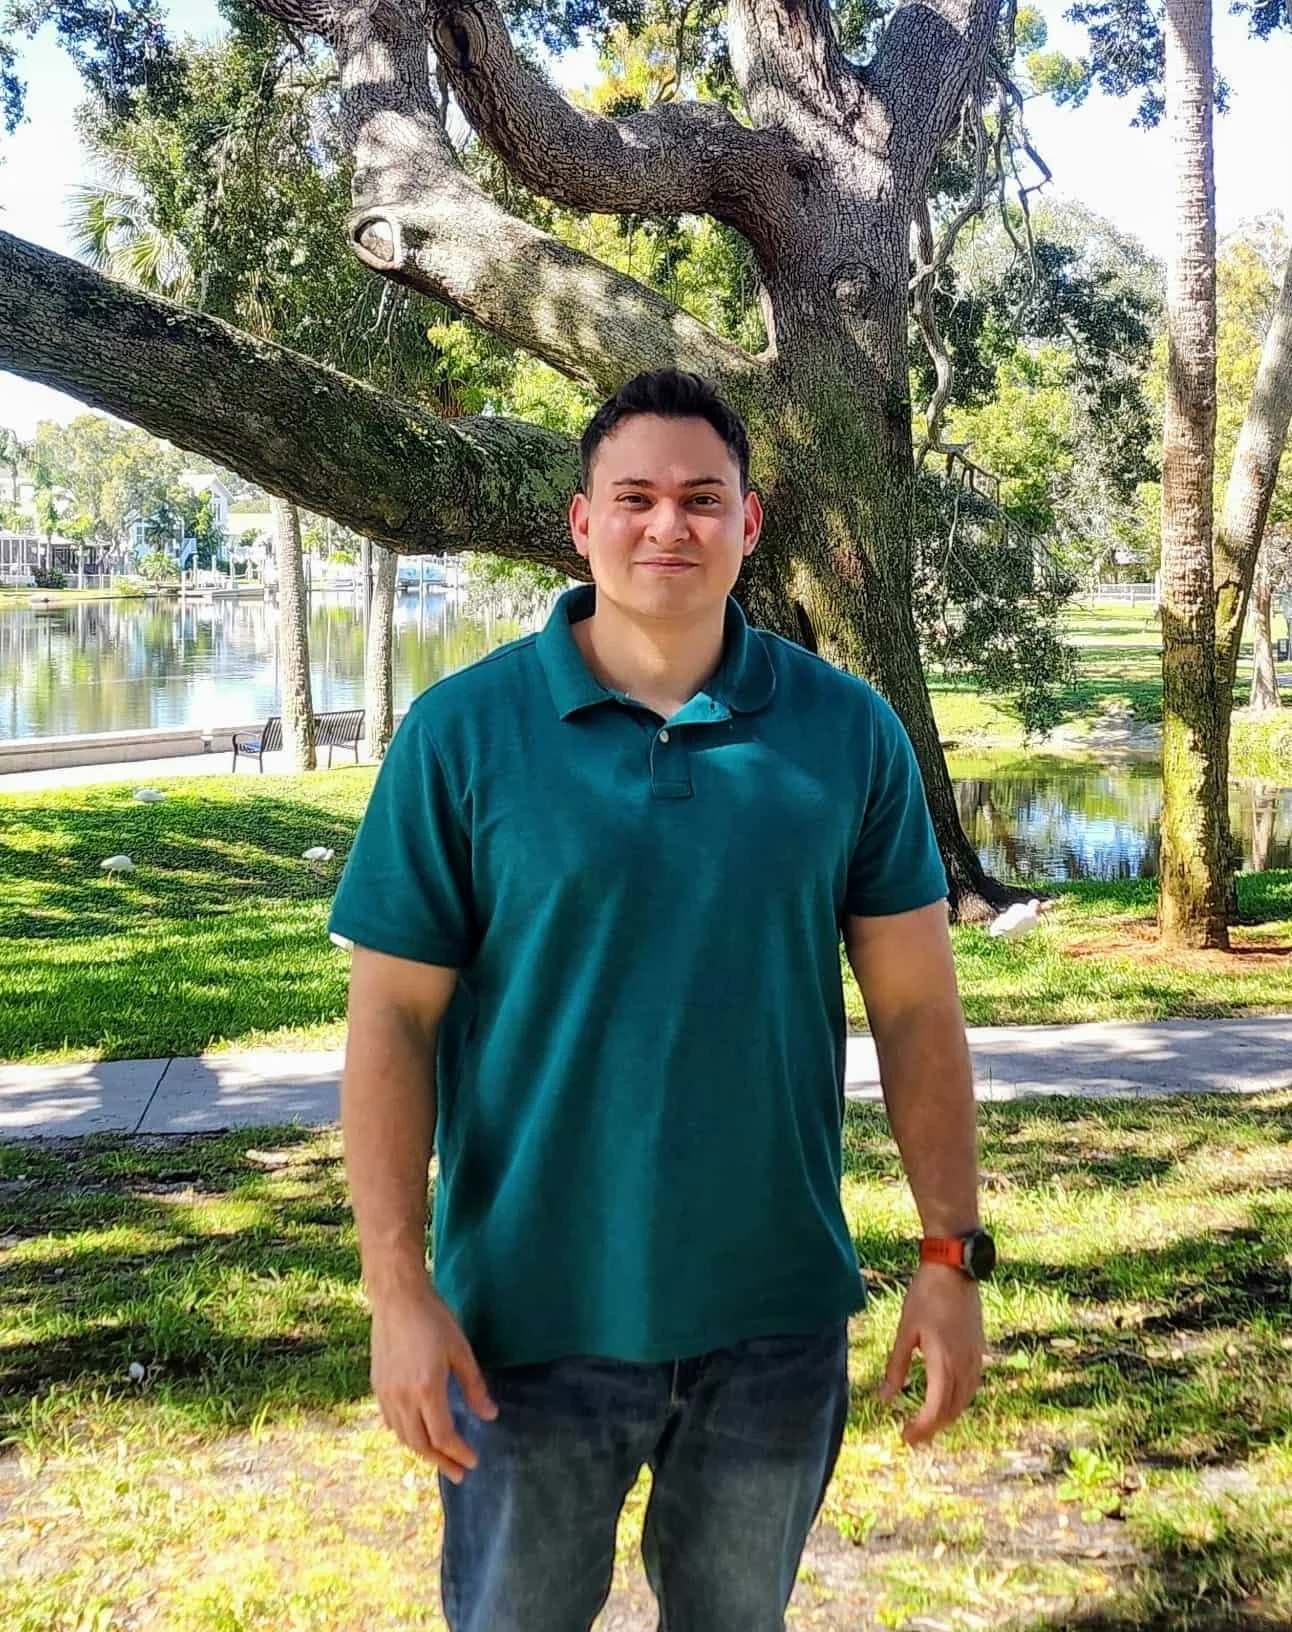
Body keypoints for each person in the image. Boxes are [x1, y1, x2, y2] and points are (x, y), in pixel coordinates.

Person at [328, 369, 993, 1632]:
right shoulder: (462, 735)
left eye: (701, 498)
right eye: (632, 497)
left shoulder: (846, 733)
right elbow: (391, 1023)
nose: (666, 526)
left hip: (773, 1324)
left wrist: (949, 1254)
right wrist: (396, 1289)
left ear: (750, 523)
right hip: (523, 1327)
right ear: (581, 523)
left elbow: (915, 1012)